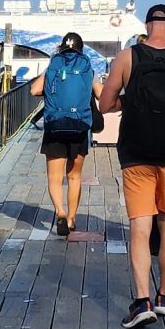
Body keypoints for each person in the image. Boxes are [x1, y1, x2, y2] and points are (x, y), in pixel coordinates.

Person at [100, 3, 165, 329]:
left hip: (136, 154)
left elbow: (105, 105)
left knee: (140, 226)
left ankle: (142, 301)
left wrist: (129, 101)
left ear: (146, 27)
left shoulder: (127, 57)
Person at [29, 33, 101, 237]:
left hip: (55, 126)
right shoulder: (88, 68)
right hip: (79, 126)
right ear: (81, 49)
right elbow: (101, 94)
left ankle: (59, 212)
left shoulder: (54, 65)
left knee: (55, 177)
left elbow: (34, 90)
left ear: (61, 48)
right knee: (74, 176)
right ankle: (71, 219)